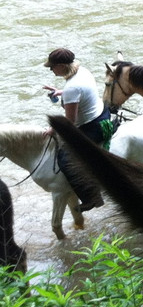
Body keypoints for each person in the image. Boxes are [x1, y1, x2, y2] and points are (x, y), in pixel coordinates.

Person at [43, 48, 108, 211]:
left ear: (62, 66)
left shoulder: (72, 87)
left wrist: (53, 129)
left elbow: (70, 122)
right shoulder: (82, 71)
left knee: (65, 159)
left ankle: (91, 198)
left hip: (92, 126)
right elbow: (80, 92)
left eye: (52, 67)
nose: (51, 70)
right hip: (102, 113)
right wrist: (61, 92)